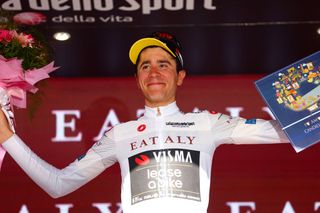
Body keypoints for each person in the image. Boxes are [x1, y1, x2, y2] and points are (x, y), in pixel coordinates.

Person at [0, 32, 289, 213]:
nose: (153, 72)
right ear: (137, 80)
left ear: (180, 77)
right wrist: (5, 135)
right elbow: (58, 185)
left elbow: (285, 132)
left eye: (164, 64)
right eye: (145, 66)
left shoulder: (206, 123)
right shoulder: (119, 135)